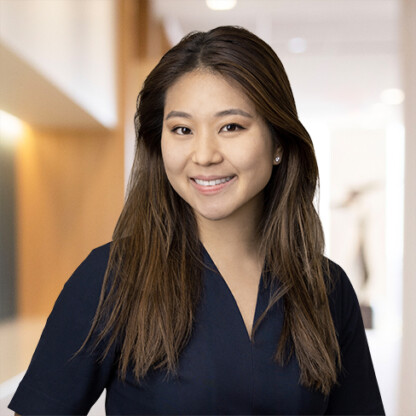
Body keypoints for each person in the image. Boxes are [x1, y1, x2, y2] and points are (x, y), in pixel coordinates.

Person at [9, 26, 384, 415]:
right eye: (182, 129)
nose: (204, 155)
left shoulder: (325, 288)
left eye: (231, 127)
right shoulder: (111, 279)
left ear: (278, 143)